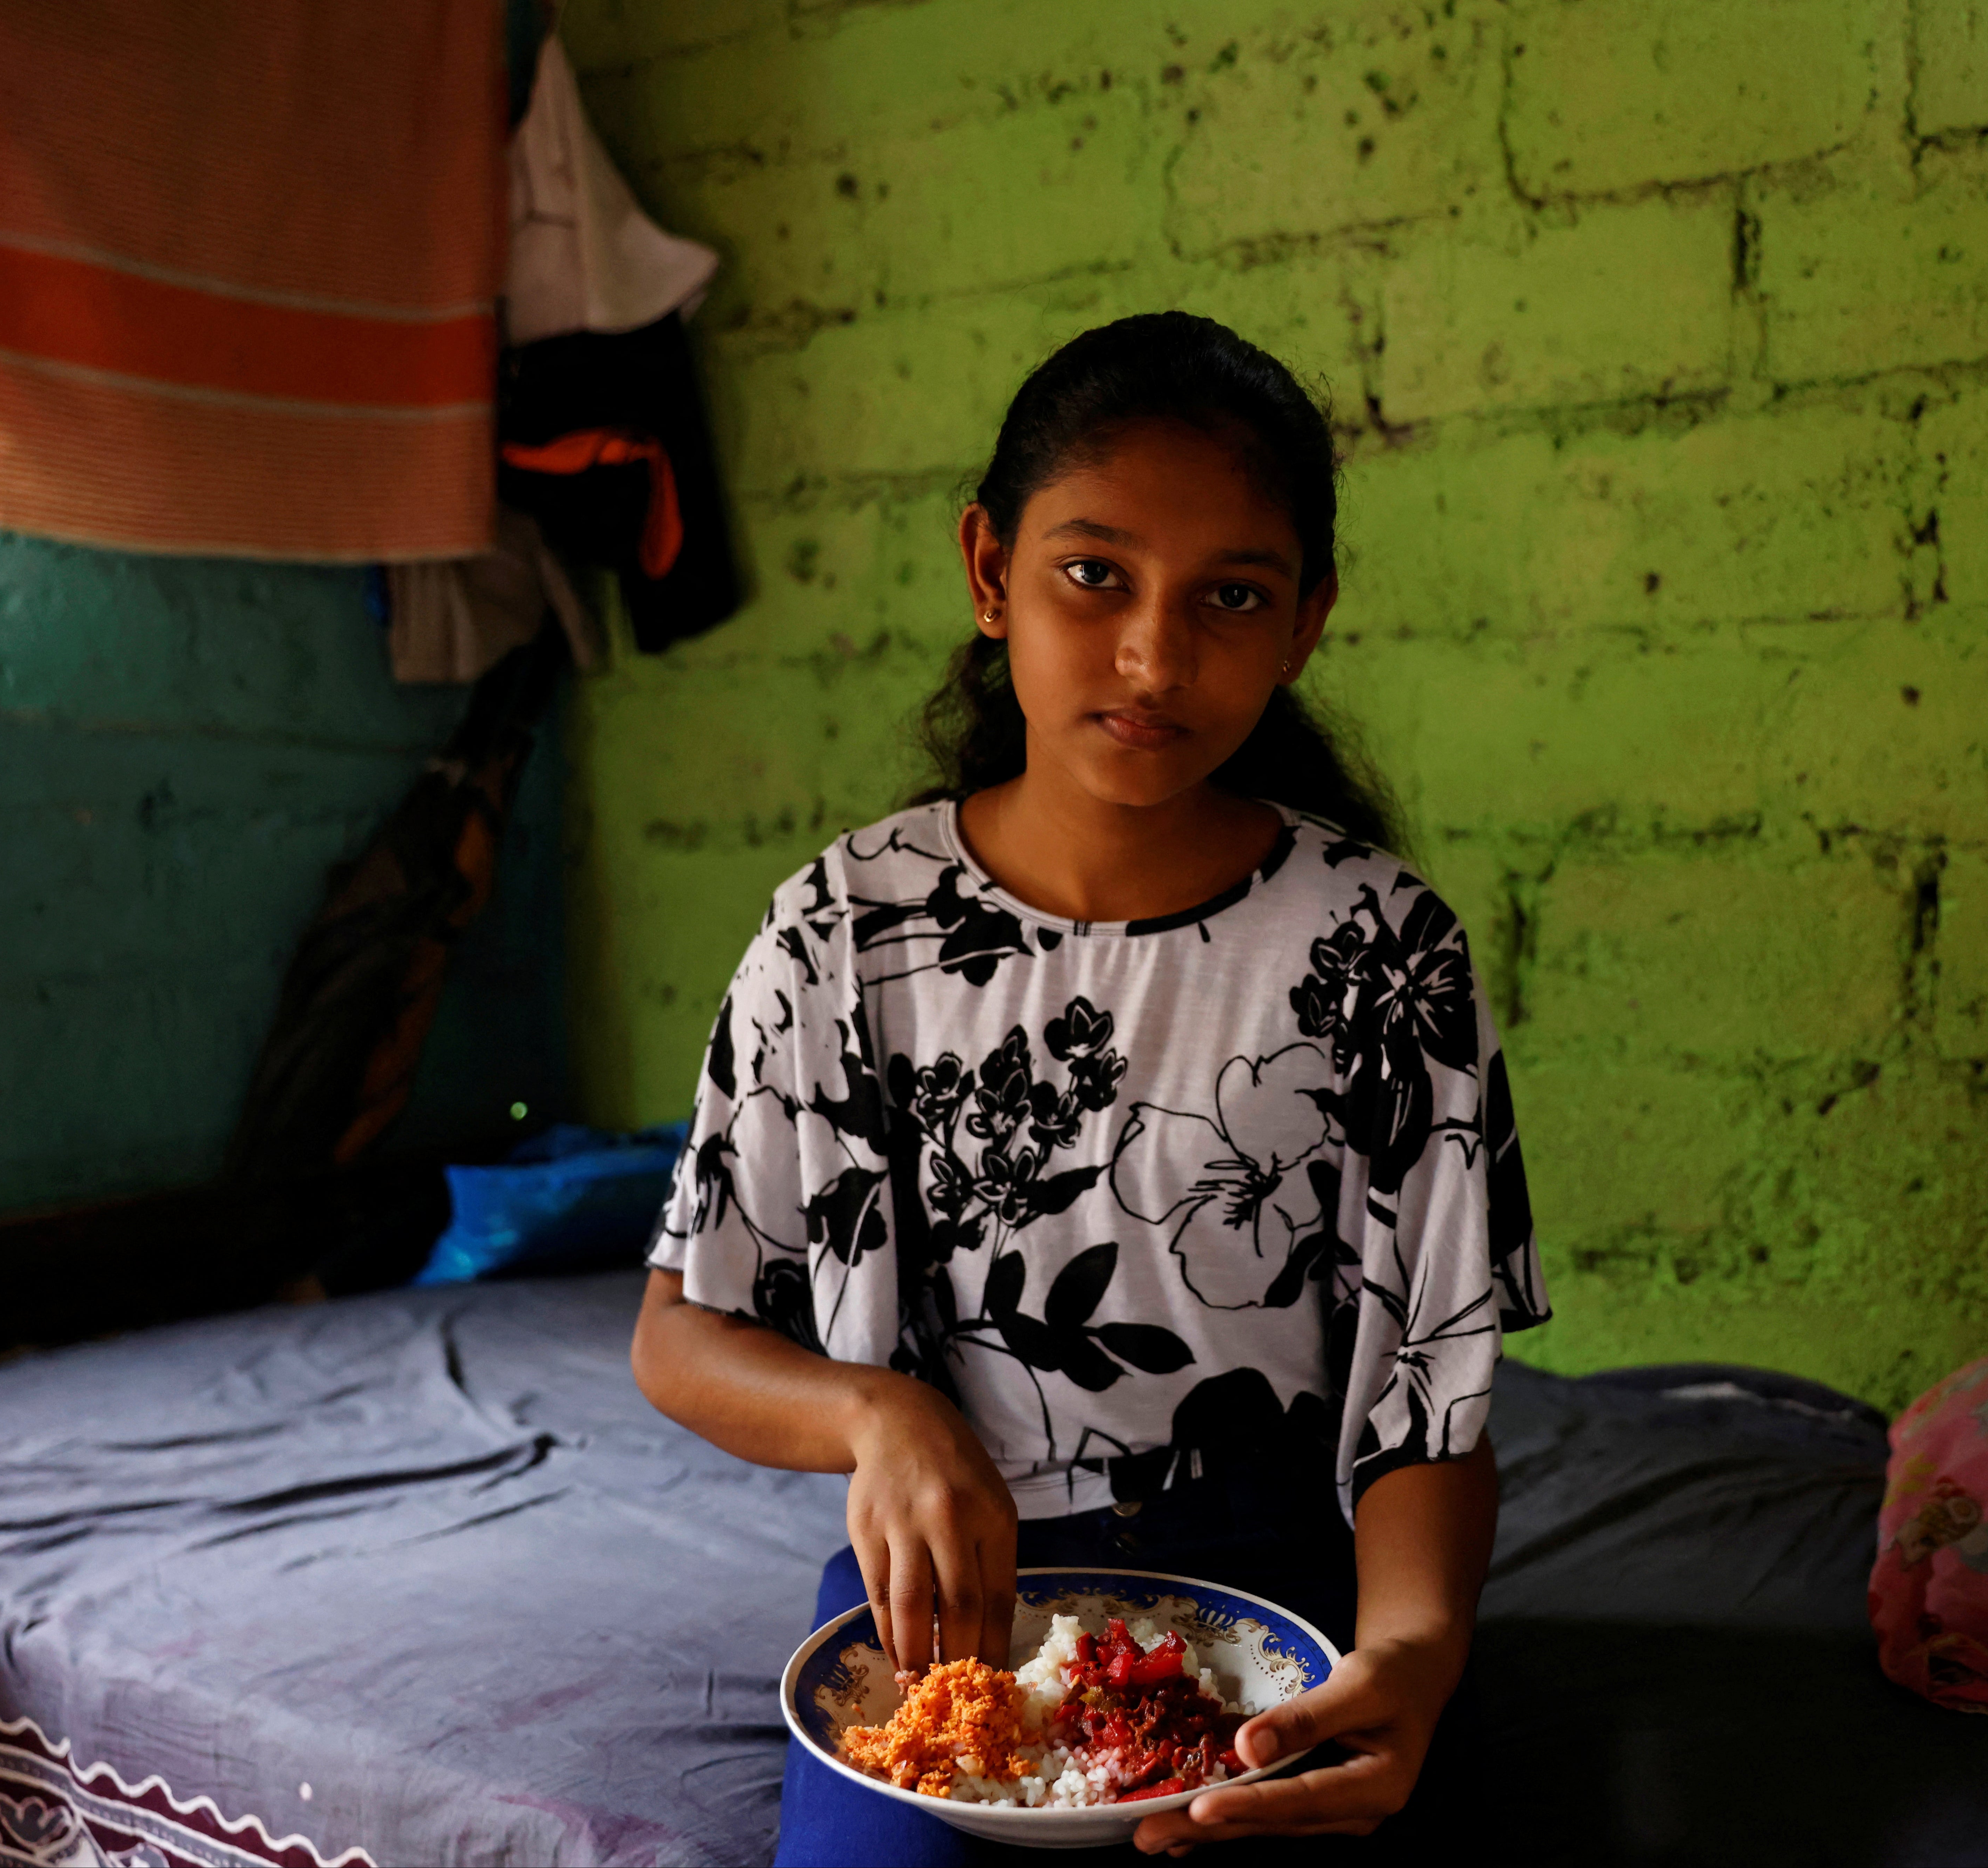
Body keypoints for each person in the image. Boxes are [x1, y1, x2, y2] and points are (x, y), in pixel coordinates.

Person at [630, 311, 1547, 1863]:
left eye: (1230, 597)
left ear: (1306, 621)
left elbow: (1423, 1406)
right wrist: (878, 1411)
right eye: (1093, 573)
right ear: (990, 570)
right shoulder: (846, 933)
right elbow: (681, 1333)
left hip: (1279, 1608)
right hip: (937, 1611)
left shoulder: (1382, 953)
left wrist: (1409, 1653)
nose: (1153, 655)